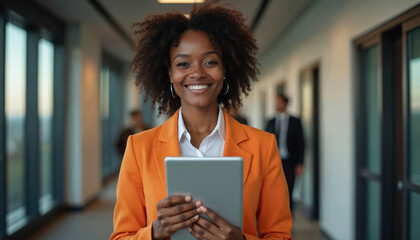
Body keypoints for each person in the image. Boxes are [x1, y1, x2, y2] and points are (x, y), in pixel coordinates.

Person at [110, 2, 292, 240]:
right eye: (183, 64)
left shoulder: (263, 146)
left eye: (210, 62)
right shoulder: (138, 148)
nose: (197, 73)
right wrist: (154, 233)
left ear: (225, 68)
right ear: (169, 73)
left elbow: (281, 235)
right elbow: (121, 236)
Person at [265, 93, 304, 212]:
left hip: (290, 162)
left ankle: (288, 219)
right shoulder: (270, 121)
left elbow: (301, 143)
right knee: (274, 190)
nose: (277, 104)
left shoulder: (295, 121)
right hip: (274, 161)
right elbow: (265, 142)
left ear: (285, 103)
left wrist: (300, 163)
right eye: (276, 102)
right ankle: (276, 217)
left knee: (289, 190)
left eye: (279, 102)